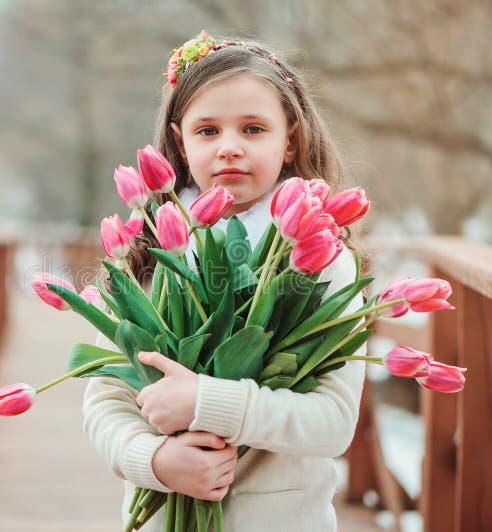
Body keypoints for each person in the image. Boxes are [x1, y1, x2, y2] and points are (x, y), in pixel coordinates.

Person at [83, 31, 366, 531]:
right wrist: (153, 459)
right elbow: (106, 400)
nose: (229, 148)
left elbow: (334, 424)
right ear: (179, 141)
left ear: (290, 140)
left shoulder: (322, 260)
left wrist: (206, 402)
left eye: (253, 129)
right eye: (208, 131)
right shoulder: (149, 254)